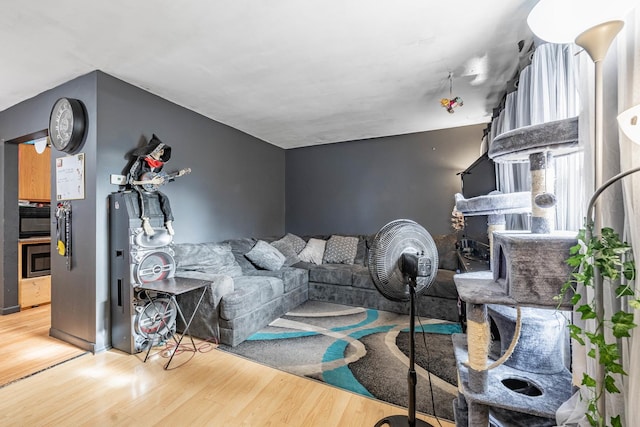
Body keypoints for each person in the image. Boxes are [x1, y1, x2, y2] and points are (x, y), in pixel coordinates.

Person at [127, 135, 188, 236]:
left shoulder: (159, 165)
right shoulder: (140, 162)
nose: (162, 153)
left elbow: (158, 177)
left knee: (164, 197)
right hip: (139, 186)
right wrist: (150, 182)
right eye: (160, 151)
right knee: (144, 197)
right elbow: (132, 181)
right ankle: (146, 221)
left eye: (163, 151)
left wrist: (177, 174)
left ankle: (168, 222)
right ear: (154, 150)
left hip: (150, 187)